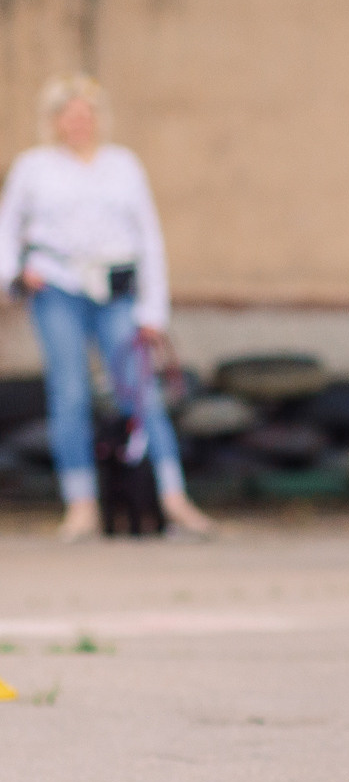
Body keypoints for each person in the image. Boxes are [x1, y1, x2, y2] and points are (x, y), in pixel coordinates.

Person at [0, 75, 212, 542]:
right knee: (70, 392)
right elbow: (7, 227)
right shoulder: (34, 167)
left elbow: (149, 237)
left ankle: (172, 497)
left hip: (116, 292)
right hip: (58, 289)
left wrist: (153, 309)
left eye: (86, 114)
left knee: (138, 391)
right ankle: (81, 505)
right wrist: (14, 274)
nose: (78, 123)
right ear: (55, 121)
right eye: (69, 115)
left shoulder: (123, 165)